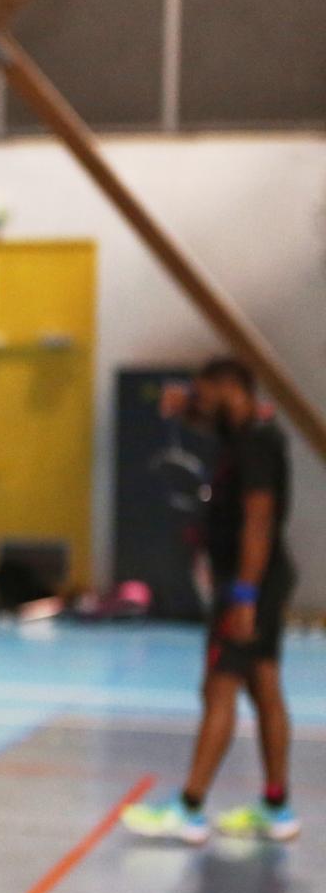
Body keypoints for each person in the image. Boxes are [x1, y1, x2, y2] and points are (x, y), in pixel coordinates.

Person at [123, 357, 300, 844]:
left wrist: (243, 595)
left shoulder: (256, 446)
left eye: (204, 394)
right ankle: (277, 807)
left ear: (230, 388)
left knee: (218, 689)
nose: (199, 403)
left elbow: (259, 522)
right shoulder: (248, 433)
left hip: (249, 587)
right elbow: (208, 420)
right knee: (264, 689)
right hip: (263, 583)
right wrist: (186, 407)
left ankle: (190, 808)